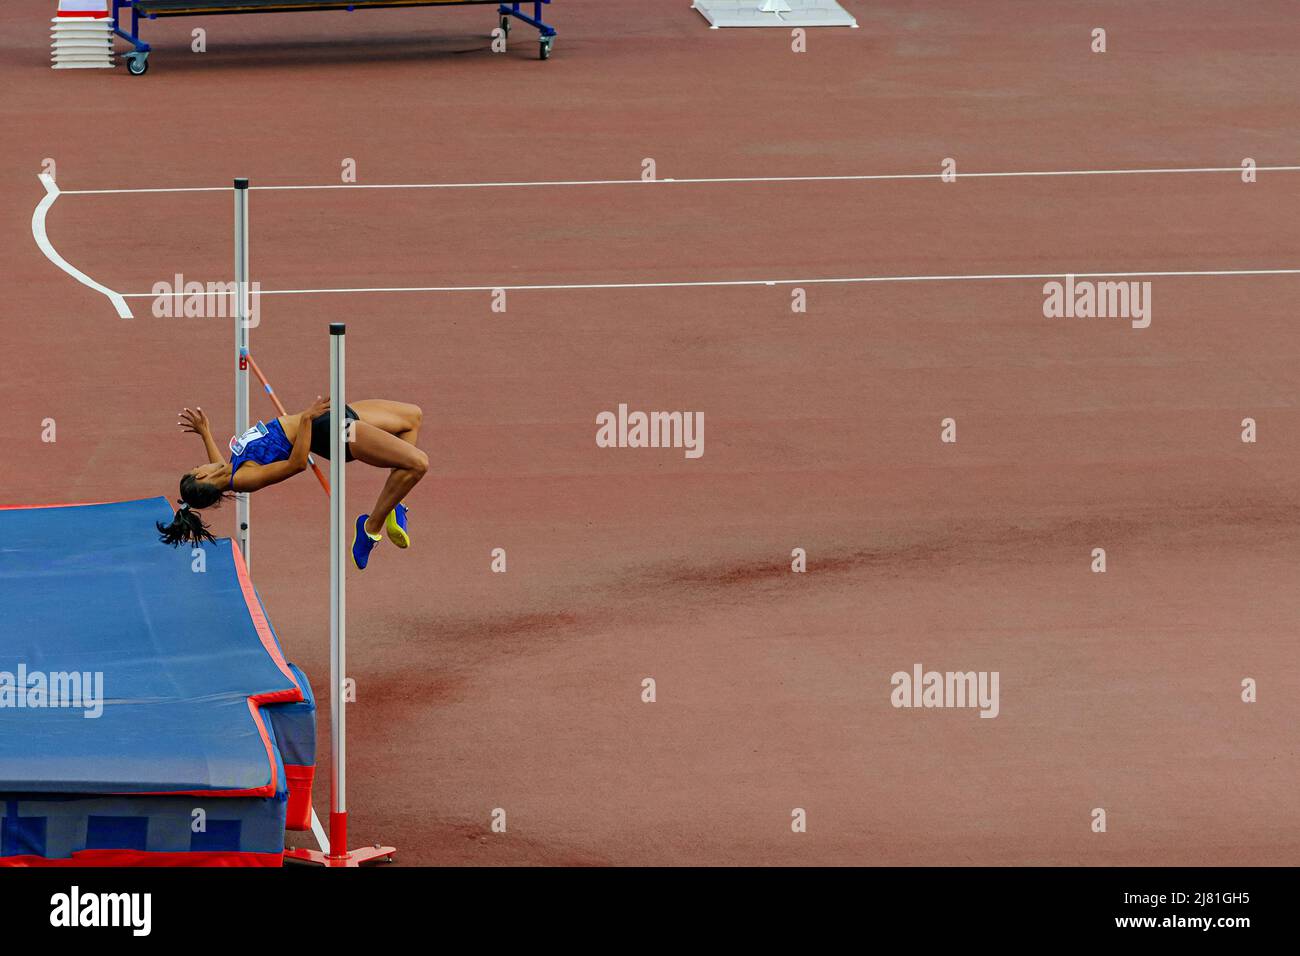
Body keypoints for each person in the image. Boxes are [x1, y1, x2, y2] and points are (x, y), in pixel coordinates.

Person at [157, 398, 426, 570]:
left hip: (327, 419)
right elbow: (296, 464)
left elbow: (218, 467)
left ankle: (395, 505)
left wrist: (205, 433)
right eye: (196, 469)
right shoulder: (245, 478)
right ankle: (370, 527)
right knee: (417, 464)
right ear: (201, 477)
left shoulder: (230, 469)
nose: (200, 466)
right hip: (331, 432)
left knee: (411, 418)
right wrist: (307, 419)